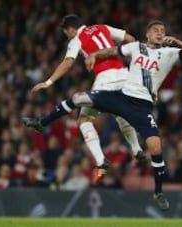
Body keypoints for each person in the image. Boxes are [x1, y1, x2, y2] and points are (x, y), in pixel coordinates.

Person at [23, 20, 182, 210]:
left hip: (142, 107)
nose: (160, 32)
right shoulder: (135, 46)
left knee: (156, 148)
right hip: (121, 96)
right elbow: (112, 51)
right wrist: (94, 54)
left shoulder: (169, 53)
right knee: (78, 98)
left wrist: (177, 42)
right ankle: (43, 122)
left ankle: (158, 192)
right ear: (147, 35)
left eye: (162, 30)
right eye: (155, 30)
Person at [23, 15, 146, 184]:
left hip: (105, 80)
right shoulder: (103, 28)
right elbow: (130, 39)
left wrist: (48, 81)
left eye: (66, 33)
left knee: (84, 120)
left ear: (71, 29)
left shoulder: (77, 39)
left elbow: (67, 63)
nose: (68, 36)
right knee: (119, 114)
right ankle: (137, 149)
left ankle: (101, 160)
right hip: (125, 76)